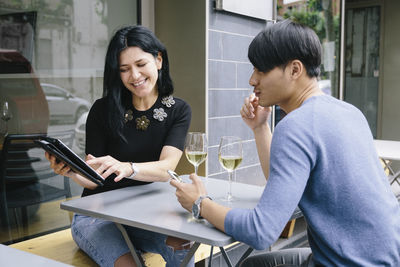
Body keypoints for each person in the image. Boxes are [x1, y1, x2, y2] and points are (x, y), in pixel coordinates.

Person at [171, 19, 400, 266]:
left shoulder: (296, 125)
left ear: (294, 70)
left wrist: (200, 203)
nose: (251, 80)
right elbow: (282, 180)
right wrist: (259, 128)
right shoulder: (349, 112)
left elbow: (261, 232)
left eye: (261, 70)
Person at [46, 25, 193, 267]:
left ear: (158, 60)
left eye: (141, 64)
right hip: (96, 216)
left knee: (183, 249)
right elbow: (95, 179)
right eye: (124, 69)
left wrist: (128, 167)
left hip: (147, 216)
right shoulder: (102, 110)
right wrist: (73, 171)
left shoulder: (178, 110)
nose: (134, 76)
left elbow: (167, 168)